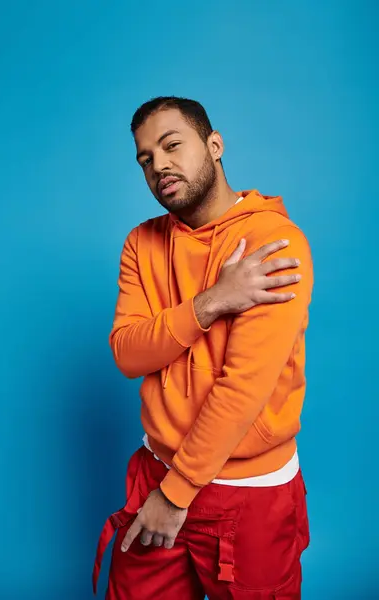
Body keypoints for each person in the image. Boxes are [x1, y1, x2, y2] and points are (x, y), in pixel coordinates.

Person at [93, 96, 313, 599]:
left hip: (246, 491)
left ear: (214, 146)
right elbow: (128, 354)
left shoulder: (274, 243)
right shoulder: (141, 242)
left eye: (172, 146)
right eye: (145, 159)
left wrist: (174, 497)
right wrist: (212, 302)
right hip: (157, 470)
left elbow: (244, 389)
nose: (159, 166)